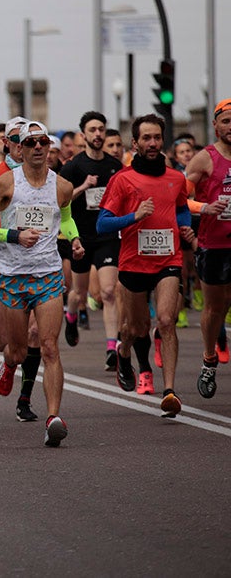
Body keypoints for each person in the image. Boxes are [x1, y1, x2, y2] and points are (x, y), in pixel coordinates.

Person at [0, 121, 84, 447]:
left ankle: (53, 418)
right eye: (30, 142)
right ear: (19, 146)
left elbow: (65, 217)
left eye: (42, 142)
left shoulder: (61, 186)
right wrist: (12, 235)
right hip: (12, 276)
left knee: (48, 347)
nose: (36, 147)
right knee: (18, 351)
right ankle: (8, 365)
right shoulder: (5, 183)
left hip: (48, 276)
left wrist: (74, 239)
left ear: (50, 147)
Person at [96, 114, 190, 415]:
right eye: (146, 138)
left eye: (157, 138)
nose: (152, 143)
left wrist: (186, 229)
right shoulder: (122, 179)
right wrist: (133, 217)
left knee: (166, 320)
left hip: (168, 260)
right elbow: (102, 225)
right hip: (134, 263)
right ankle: (124, 354)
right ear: (135, 143)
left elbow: (182, 209)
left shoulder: (176, 178)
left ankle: (170, 391)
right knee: (135, 329)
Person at [59, 111, 123, 370]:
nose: (98, 134)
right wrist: (83, 186)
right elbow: (60, 201)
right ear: (83, 135)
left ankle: (111, 347)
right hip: (80, 238)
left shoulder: (115, 166)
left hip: (107, 236)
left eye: (101, 130)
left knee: (109, 292)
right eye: (93, 130)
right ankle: (71, 316)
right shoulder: (73, 166)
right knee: (79, 293)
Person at [185, 98, 231, 399]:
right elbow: (181, 199)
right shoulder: (205, 158)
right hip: (214, 245)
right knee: (216, 308)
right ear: (215, 125)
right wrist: (205, 207)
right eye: (226, 121)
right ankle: (209, 358)